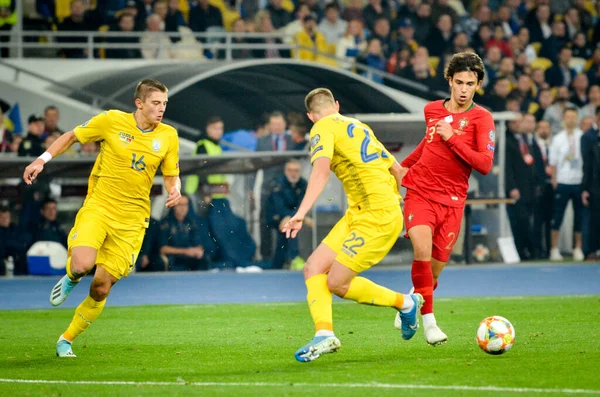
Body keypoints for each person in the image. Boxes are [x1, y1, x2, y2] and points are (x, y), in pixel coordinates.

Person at [22, 79, 182, 358]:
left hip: (132, 221)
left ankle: (66, 340)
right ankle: (72, 275)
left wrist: (175, 189)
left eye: (164, 103)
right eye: (156, 103)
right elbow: (72, 136)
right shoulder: (111, 121)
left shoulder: (169, 136)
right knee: (83, 265)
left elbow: (170, 174)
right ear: (139, 103)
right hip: (100, 206)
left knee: (101, 286)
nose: (161, 109)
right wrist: (41, 159)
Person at [281, 88, 422, 363]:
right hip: (362, 212)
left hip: (377, 215)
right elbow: (397, 169)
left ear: (311, 116)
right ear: (337, 104)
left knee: (336, 282)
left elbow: (320, 173)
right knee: (313, 268)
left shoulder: (321, 128)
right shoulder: (358, 125)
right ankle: (324, 334)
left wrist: (300, 212)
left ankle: (406, 303)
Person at [398, 52, 495, 346]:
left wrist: (452, 137)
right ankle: (429, 323)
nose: (464, 89)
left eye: (471, 83)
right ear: (449, 81)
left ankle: (411, 302)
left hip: (453, 202)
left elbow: (485, 165)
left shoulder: (482, 118)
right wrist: (402, 169)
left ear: (477, 84)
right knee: (422, 252)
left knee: (434, 269)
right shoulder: (431, 110)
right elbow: (427, 145)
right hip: (420, 193)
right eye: (459, 82)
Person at [548, 107, 584, 262]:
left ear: (577, 119)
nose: (571, 119)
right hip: (563, 181)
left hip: (579, 181)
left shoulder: (582, 137)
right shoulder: (558, 138)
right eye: (568, 116)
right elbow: (553, 163)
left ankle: (578, 248)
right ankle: (554, 249)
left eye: (573, 116)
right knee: (557, 216)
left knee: (579, 217)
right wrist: (555, 180)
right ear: (563, 118)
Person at [267, 159, 309, 270]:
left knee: (286, 233)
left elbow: (302, 204)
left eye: (296, 170)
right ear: (285, 171)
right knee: (290, 228)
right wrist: (290, 217)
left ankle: (277, 265)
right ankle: (294, 258)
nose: (293, 173)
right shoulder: (278, 183)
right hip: (276, 217)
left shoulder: (303, 183)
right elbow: (278, 205)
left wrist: (291, 217)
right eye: (290, 170)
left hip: (291, 217)